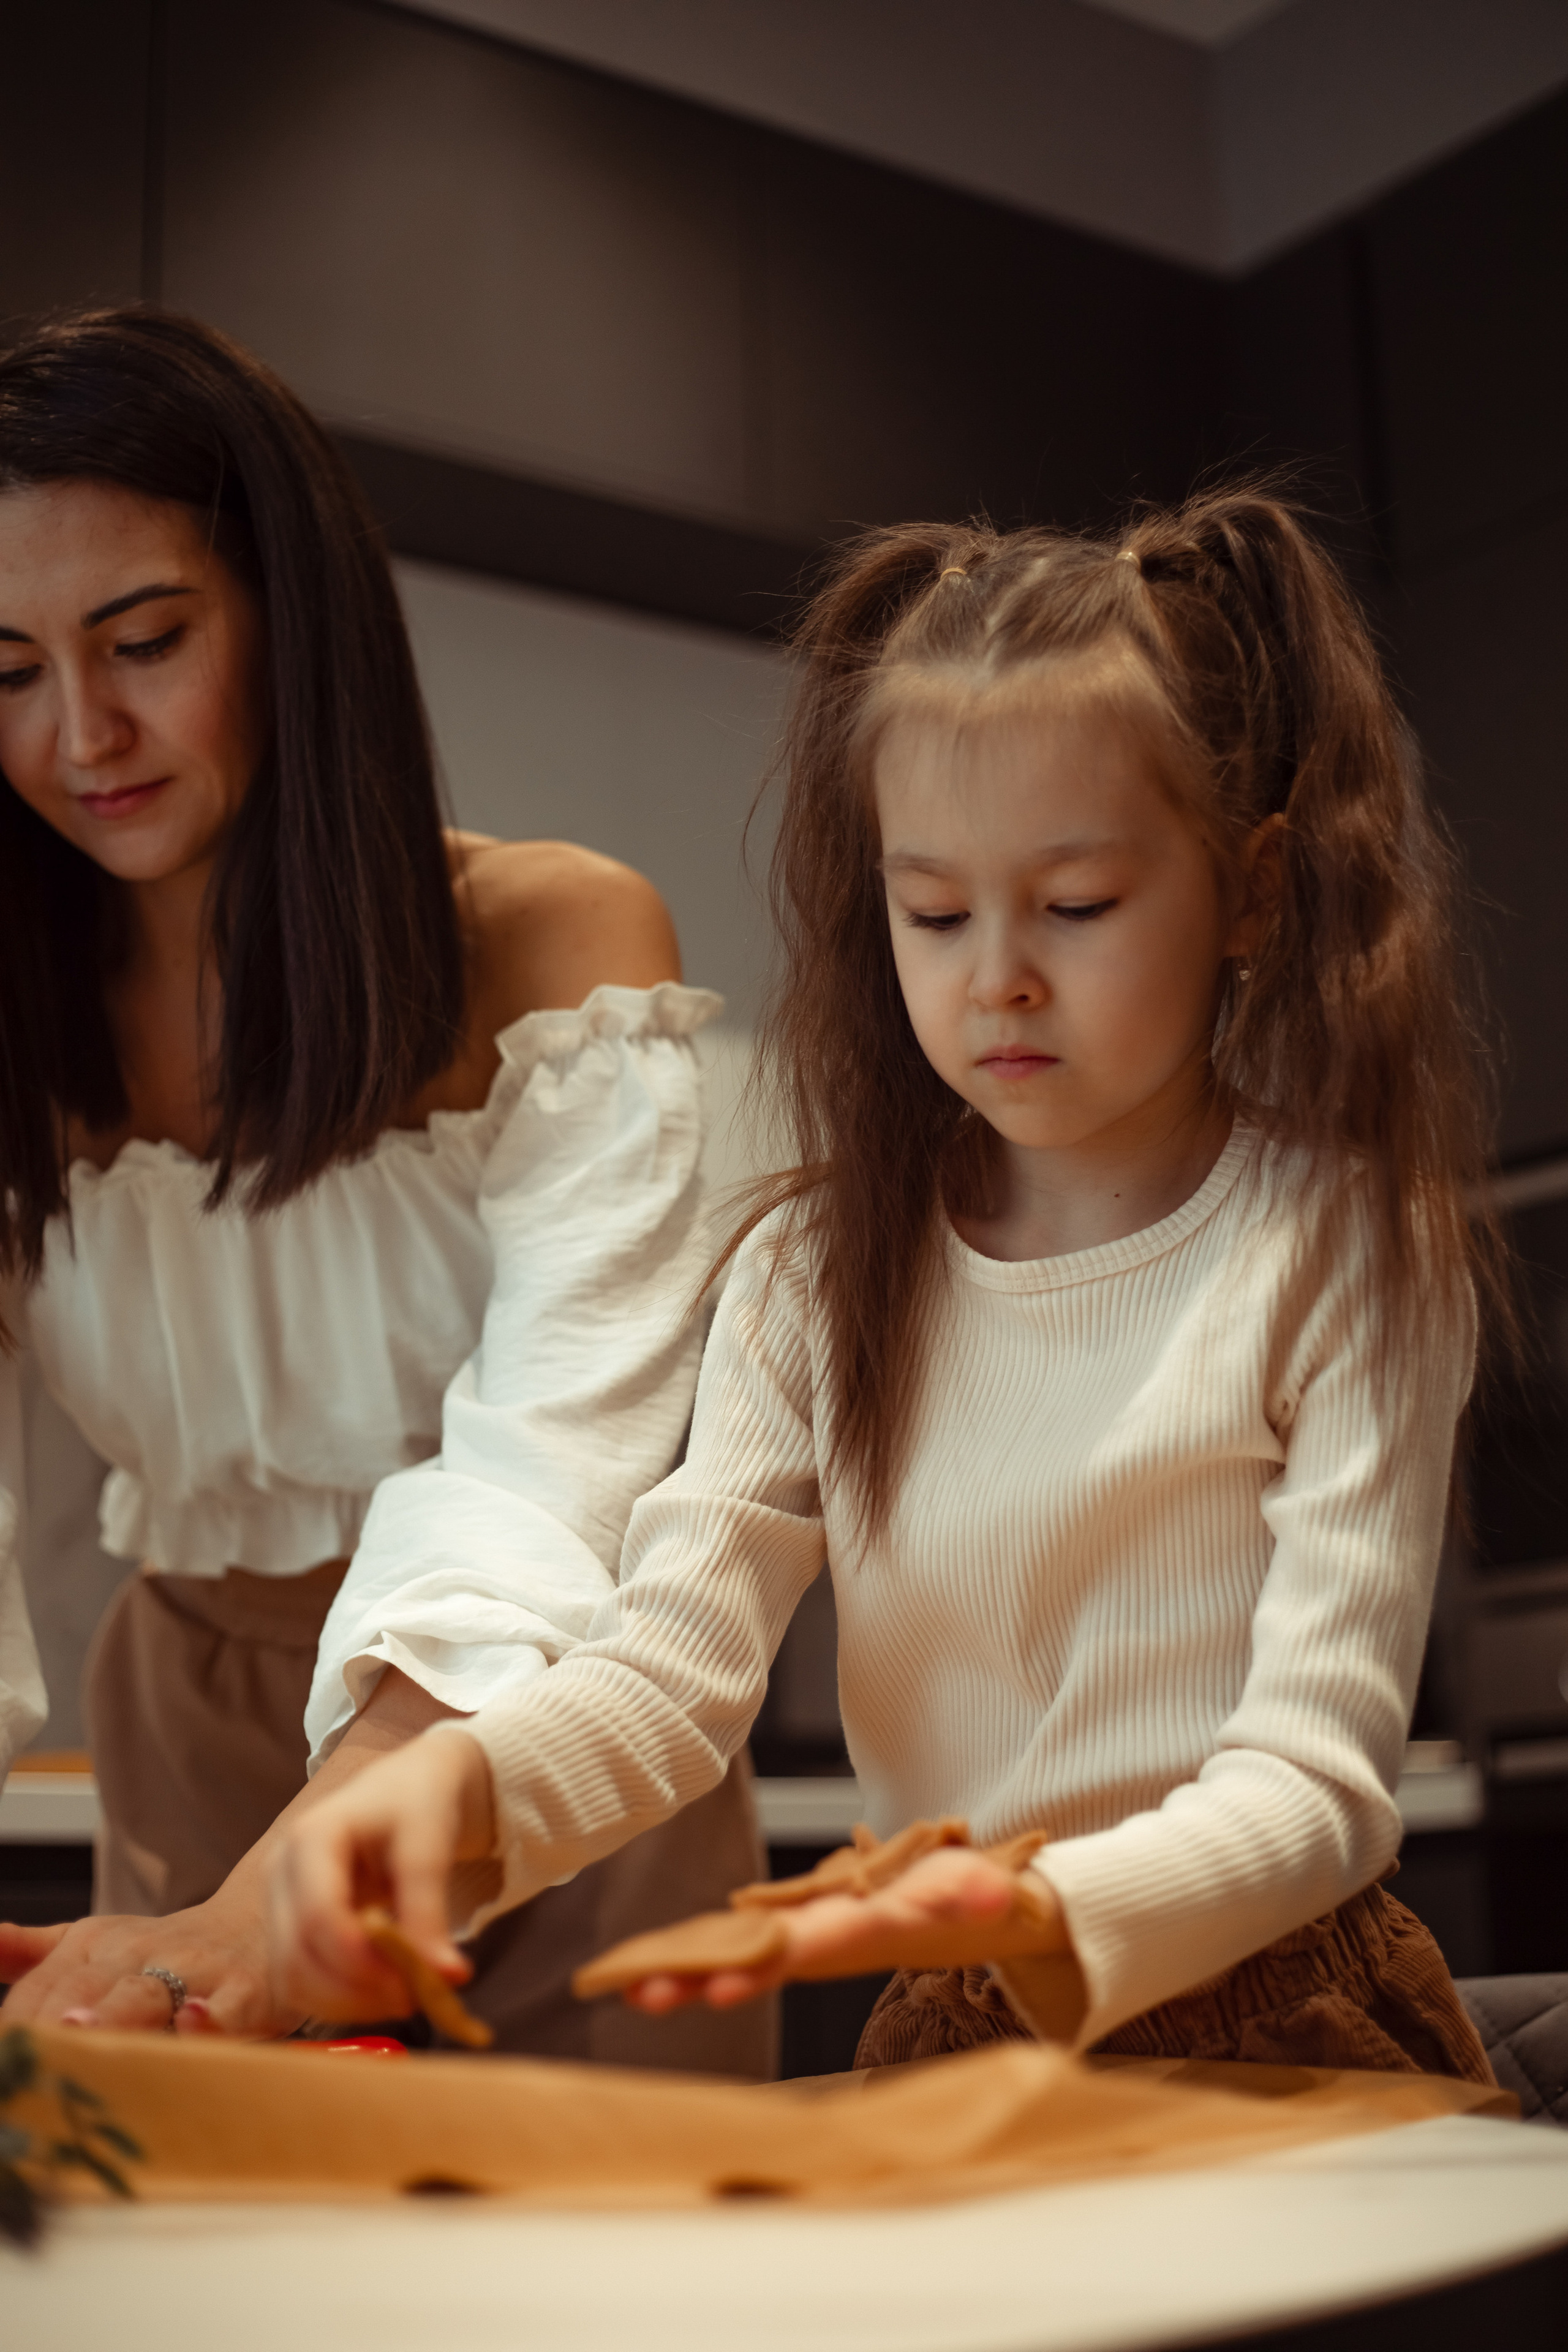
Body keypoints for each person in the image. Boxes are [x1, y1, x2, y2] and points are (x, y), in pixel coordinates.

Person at [271, 488, 1500, 2082]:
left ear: (1253, 891)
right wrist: (462, 1791)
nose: (997, 973)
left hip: (1285, 2026)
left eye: (1076, 906)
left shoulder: (1340, 1244)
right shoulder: (813, 1264)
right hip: (950, 2037)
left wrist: (1017, 1905)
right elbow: (671, 1675)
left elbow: (1320, 1792)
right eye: (934, 911)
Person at [0, 307, 769, 2074]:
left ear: (292, 612)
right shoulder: (13, 1038)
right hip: (189, 1739)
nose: (80, 733)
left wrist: (289, 1889)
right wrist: (223, 1891)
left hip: (553, 1745)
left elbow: (553, 1464)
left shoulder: (551, 944)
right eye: (7, 669)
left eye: (144, 640)